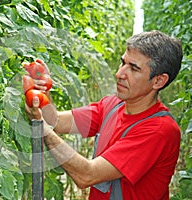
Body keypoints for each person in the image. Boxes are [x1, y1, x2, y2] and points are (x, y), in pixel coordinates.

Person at [25, 30, 183, 200]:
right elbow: (55, 121)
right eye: (123, 63)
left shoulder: (159, 130)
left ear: (159, 81)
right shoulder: (112, 105)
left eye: (134, 69)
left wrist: (43, 130)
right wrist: (43, 93)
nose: (120, 74)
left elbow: (86, 175)